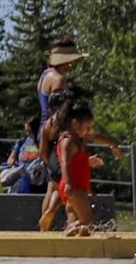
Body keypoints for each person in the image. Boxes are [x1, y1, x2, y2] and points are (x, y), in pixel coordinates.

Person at [41, 95, 102, 236]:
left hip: (73, 186)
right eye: (87, 127)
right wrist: (68, 184)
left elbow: (76, 163)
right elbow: (64, 163)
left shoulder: (75, 139)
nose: (88, 131)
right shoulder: (68, 141)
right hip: (74, 187)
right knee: (89, 224)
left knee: (76, 221)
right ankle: (74, 227)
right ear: (75, 124)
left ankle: (71, 226)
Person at [39, 40, 86, 123]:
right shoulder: (58, 79)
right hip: (55, 132)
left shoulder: (46, 74)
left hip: (44, 130)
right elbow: (59, 114)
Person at [0, 117, 46, 193]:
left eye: (30, 131)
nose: (28, 134)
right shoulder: (22, 142)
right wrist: (12, 160)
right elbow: (11, 158)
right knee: (2, 170)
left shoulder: (42, 143)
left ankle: (2, 184)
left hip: (32, 172)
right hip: (18, 168)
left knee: (20, 172)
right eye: (27, 131)